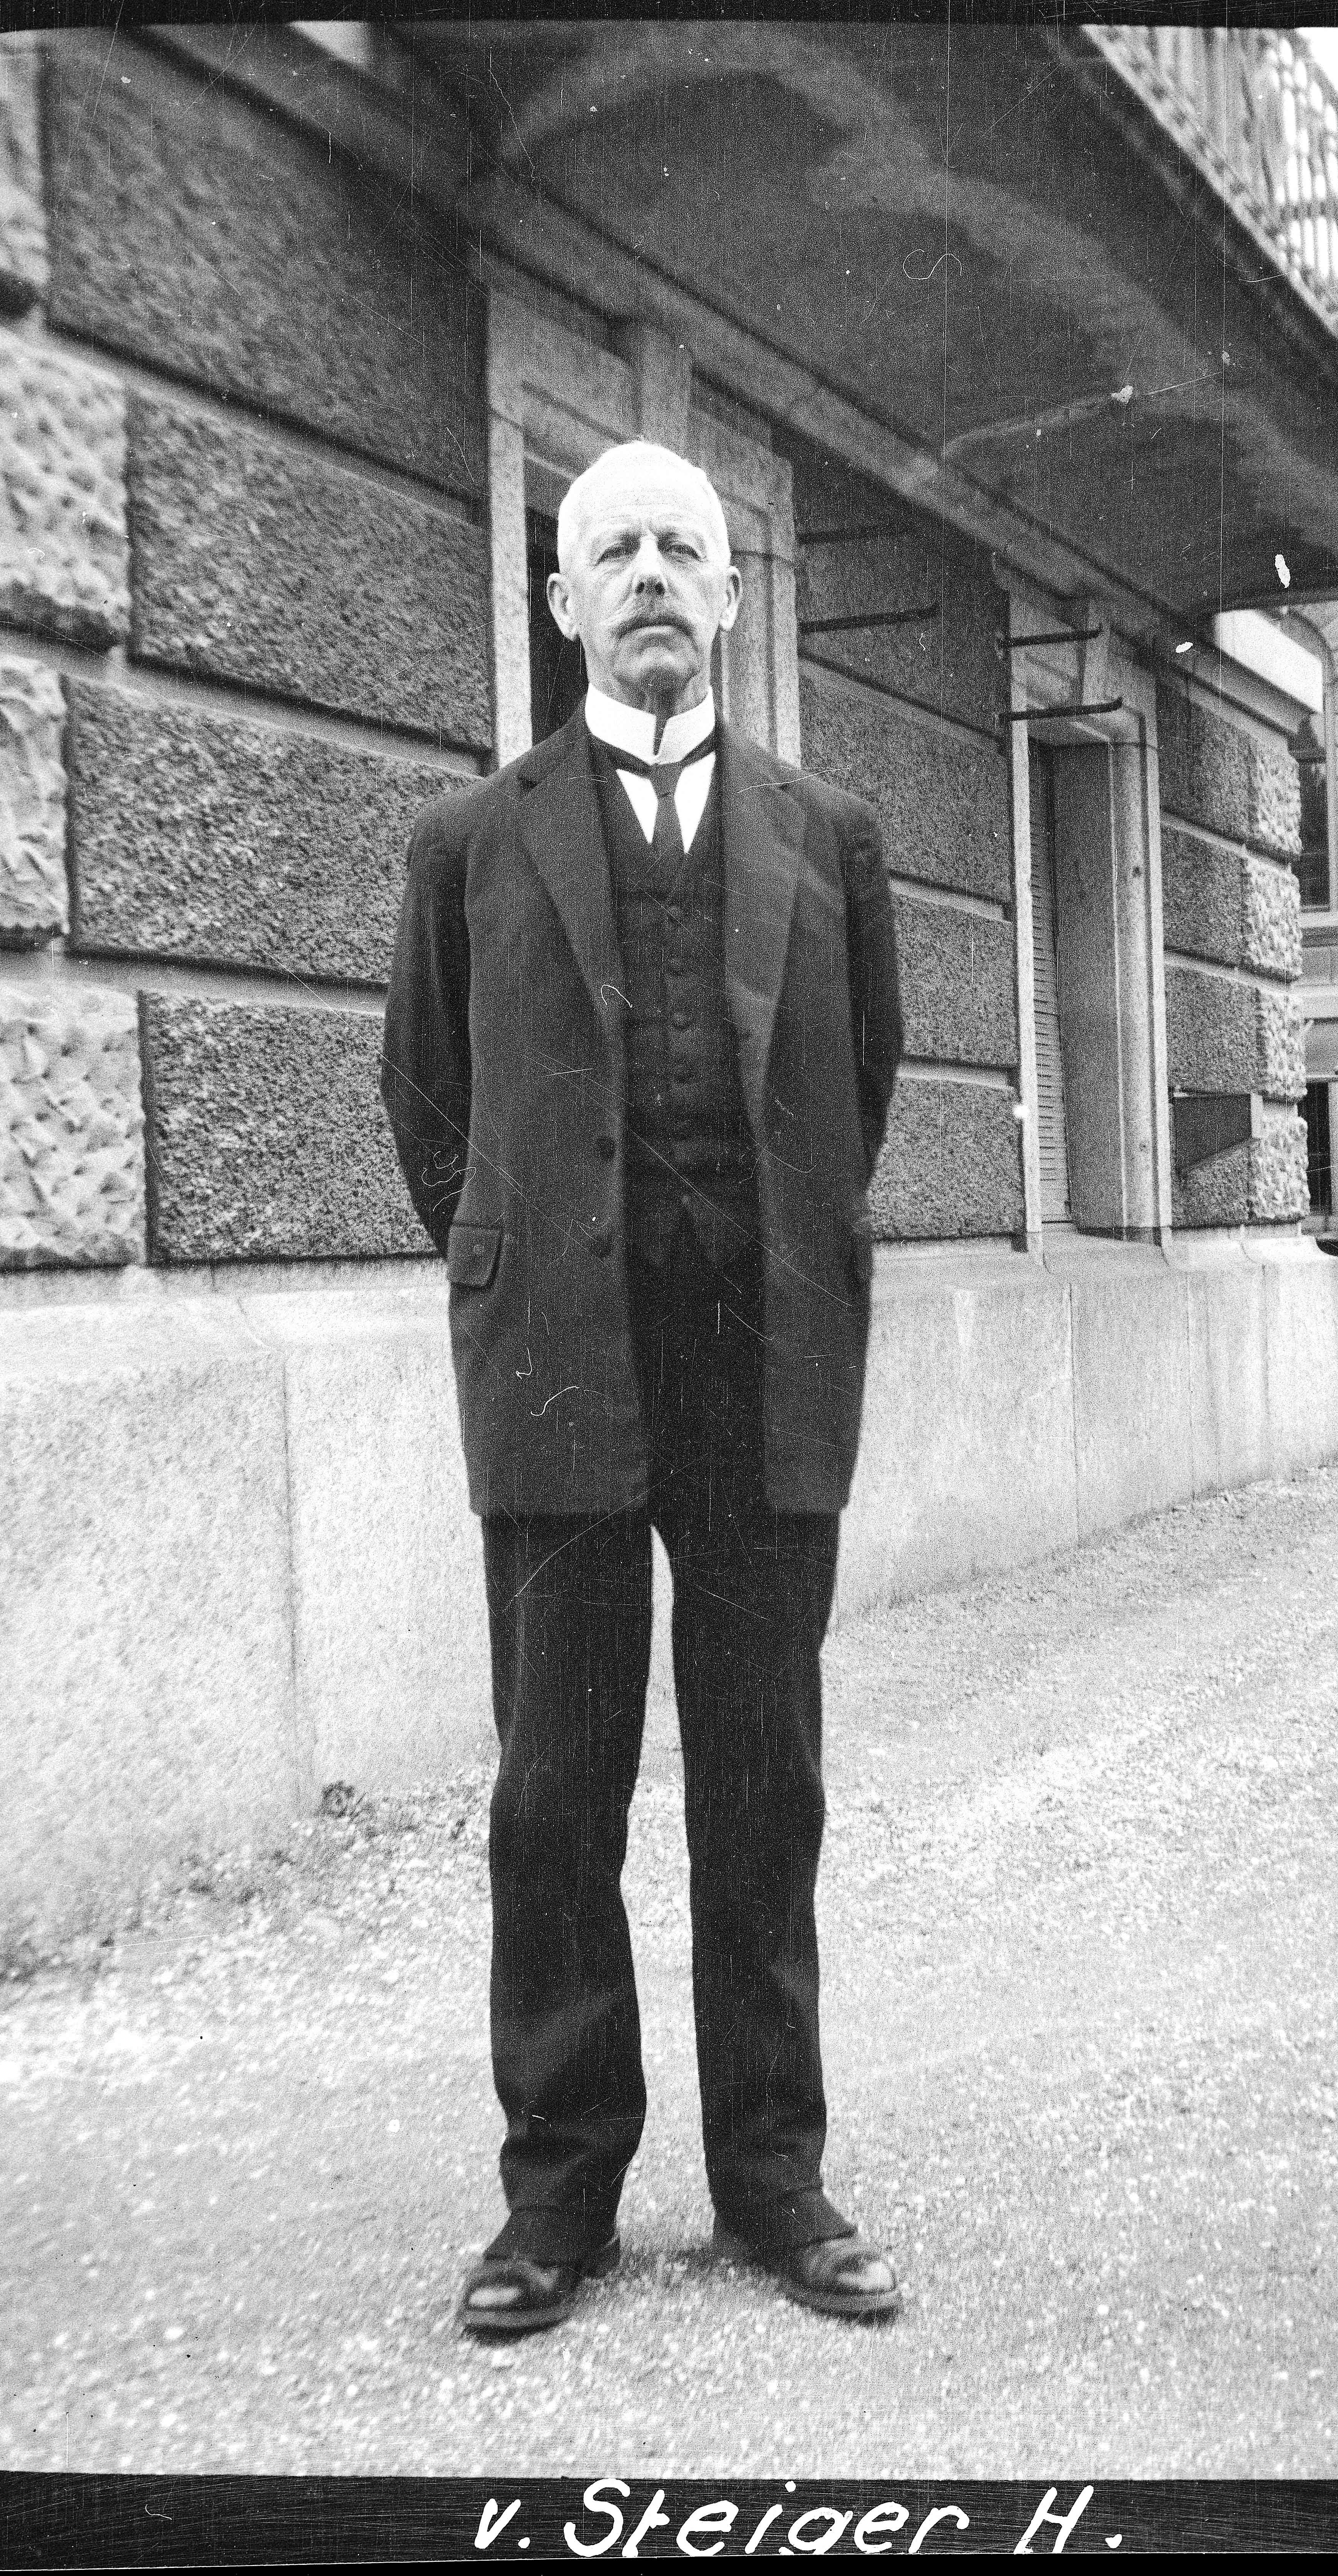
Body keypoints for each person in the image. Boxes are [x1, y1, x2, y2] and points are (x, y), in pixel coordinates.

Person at [381, 439, 905, 2336]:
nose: (656, 574)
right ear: (562, 601)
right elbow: (428, 1107)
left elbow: (864, 1083)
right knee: (554, 1795)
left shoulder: (828, 834)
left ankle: (775, 2182)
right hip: (559, 1377)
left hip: (760, 1369)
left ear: (737, 593)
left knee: (764, 1787)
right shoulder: (468, 840)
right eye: (616, 551)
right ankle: (557, 2200)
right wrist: (519, 1272)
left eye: (688, 545)